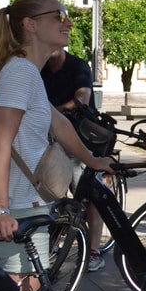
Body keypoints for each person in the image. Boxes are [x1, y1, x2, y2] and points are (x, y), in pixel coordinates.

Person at [0, 0, 114, 291]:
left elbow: (59, 125)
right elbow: (1, 143)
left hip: (28, 207)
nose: (68, 22)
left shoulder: (29, 72)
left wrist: (94, 160)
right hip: (16, 210)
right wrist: (1, 209)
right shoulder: (19, 73)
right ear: (30, 25)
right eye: (58, 16)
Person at [40, 47, 107, 273]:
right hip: (51, 141)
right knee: (51, 194)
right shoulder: (39, 68)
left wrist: (50, 112)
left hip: (80, 140)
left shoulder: (77, 66)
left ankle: (94, 251)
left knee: (89, 195)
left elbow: (81, 100)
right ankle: (51, 247)